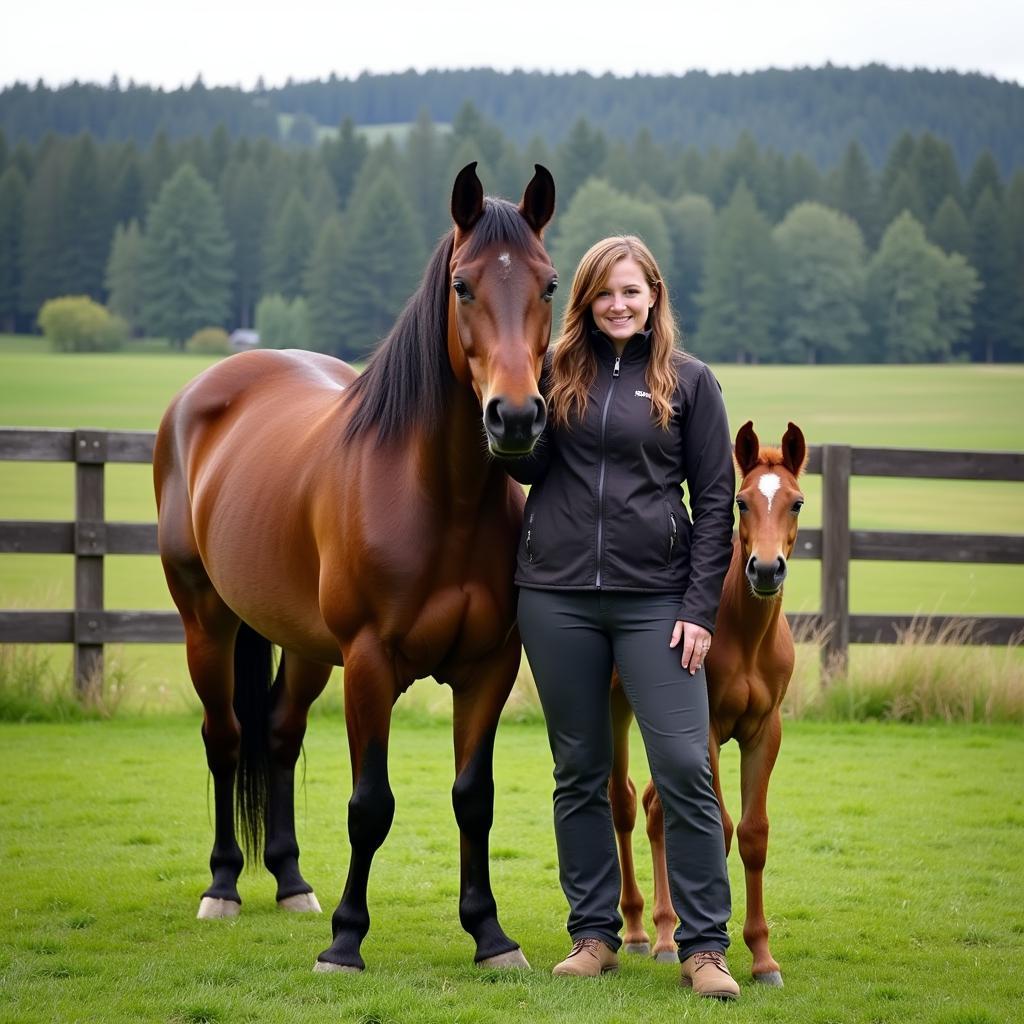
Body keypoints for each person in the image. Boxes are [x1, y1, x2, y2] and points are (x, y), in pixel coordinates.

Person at [504, 236, 739, 1000]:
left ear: (655, 297)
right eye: (605, 293)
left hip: (657, 604)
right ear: (585, 299)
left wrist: (699, 608)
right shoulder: (553, 372)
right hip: (556, 596)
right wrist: (510, 436)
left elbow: (713, 506)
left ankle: (704, 950)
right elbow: (531, 467)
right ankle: (594, 936)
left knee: (684, 768)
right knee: (580, 770)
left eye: (632, 292)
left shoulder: (691, 383)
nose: (619, 305)